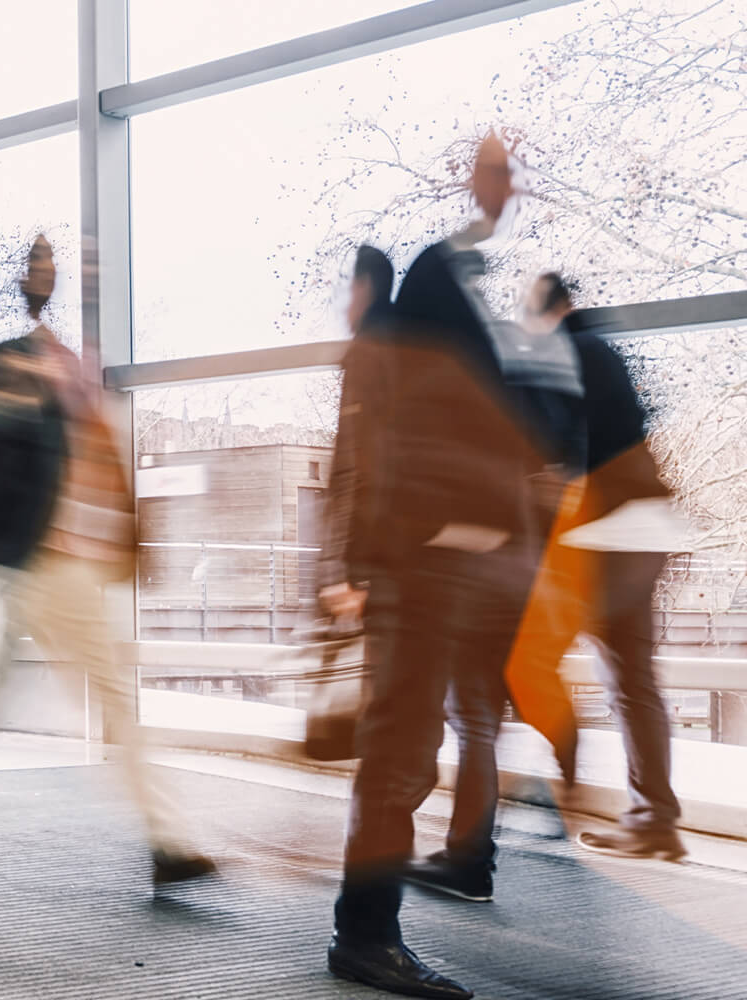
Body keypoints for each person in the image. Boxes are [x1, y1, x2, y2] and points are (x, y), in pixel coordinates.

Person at [0, 235, 214, 885]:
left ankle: (166, 839)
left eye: (55, 265)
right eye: (38, 264)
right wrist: (13, 402)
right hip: (20, 561)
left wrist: (125, 542)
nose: (48, 275)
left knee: (101, 695)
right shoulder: (14, 362)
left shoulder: (71, 367)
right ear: (25, 281)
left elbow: (95, 470)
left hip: (60, 567)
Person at [319, 136, 548, 1000]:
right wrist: (369, 568)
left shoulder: (409, 364)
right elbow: (366, 475)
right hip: (414, 582)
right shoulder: (402, 360)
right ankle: (364, 937)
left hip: (428, 580)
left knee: (406, 756)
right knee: (400, 758)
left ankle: (369, 930)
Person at [522, 272, 685, 861]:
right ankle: (654, 820)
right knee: (632, 679)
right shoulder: (603, 350)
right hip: (643, 526)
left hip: (607, 533)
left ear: (546, 314)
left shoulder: (572, 351)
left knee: (533, 654)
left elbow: (568, 449)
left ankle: (554, 790)